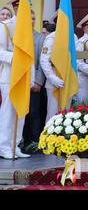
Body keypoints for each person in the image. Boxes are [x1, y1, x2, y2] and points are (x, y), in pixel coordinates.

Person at [0, 16, 31, 159]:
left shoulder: (26, 27)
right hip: (9, 75)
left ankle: (15, 145)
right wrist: (14, 58)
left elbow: (30, 56)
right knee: (8, 113)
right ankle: (4, 146)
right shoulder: (5, 26)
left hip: (24, 75)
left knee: (21, 113)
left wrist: (32, 79)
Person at [40, 12, 76, 122]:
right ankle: (50, 139)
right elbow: (44, 60)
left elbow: (76, 59)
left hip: (68, 80)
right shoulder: (51, 38)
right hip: (54, 81)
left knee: (67, 114)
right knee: (53, 114)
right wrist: (52, 78)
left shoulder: (73, 37)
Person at [22, 10, 46, 152]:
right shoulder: (17, 37)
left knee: (34, 113)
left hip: (33, 83)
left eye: (34, 18)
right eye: (29, 18)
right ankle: (21, 142)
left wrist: (38, 82)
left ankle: (34, 142)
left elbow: (42, 63)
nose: (32, 21)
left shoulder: (40, 38)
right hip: (19, 82)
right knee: (20, 114)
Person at [75, 11, 88, 103]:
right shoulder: (82, 42)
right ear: (86, 27)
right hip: (84, 80)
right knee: (83, 105)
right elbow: (78, 62)